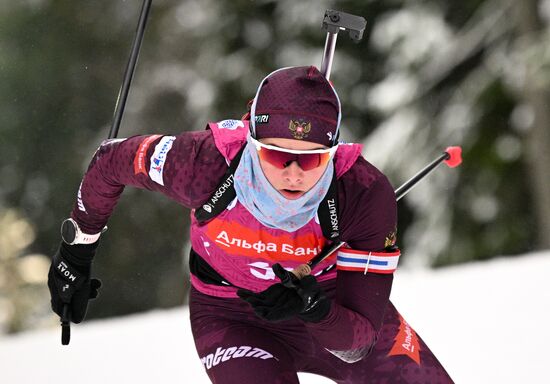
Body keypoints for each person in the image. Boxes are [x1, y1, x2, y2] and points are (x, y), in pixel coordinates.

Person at [48, 66, 454, 383]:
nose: (294, 174)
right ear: (251, 141)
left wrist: (315, 308)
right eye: (278, 156)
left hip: (330, 307)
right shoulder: (203, 163)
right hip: (230, 316)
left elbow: (358, 343)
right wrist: (76, 252)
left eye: (312, 158)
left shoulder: (362, 192)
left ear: (334, 152)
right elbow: (111, 160)